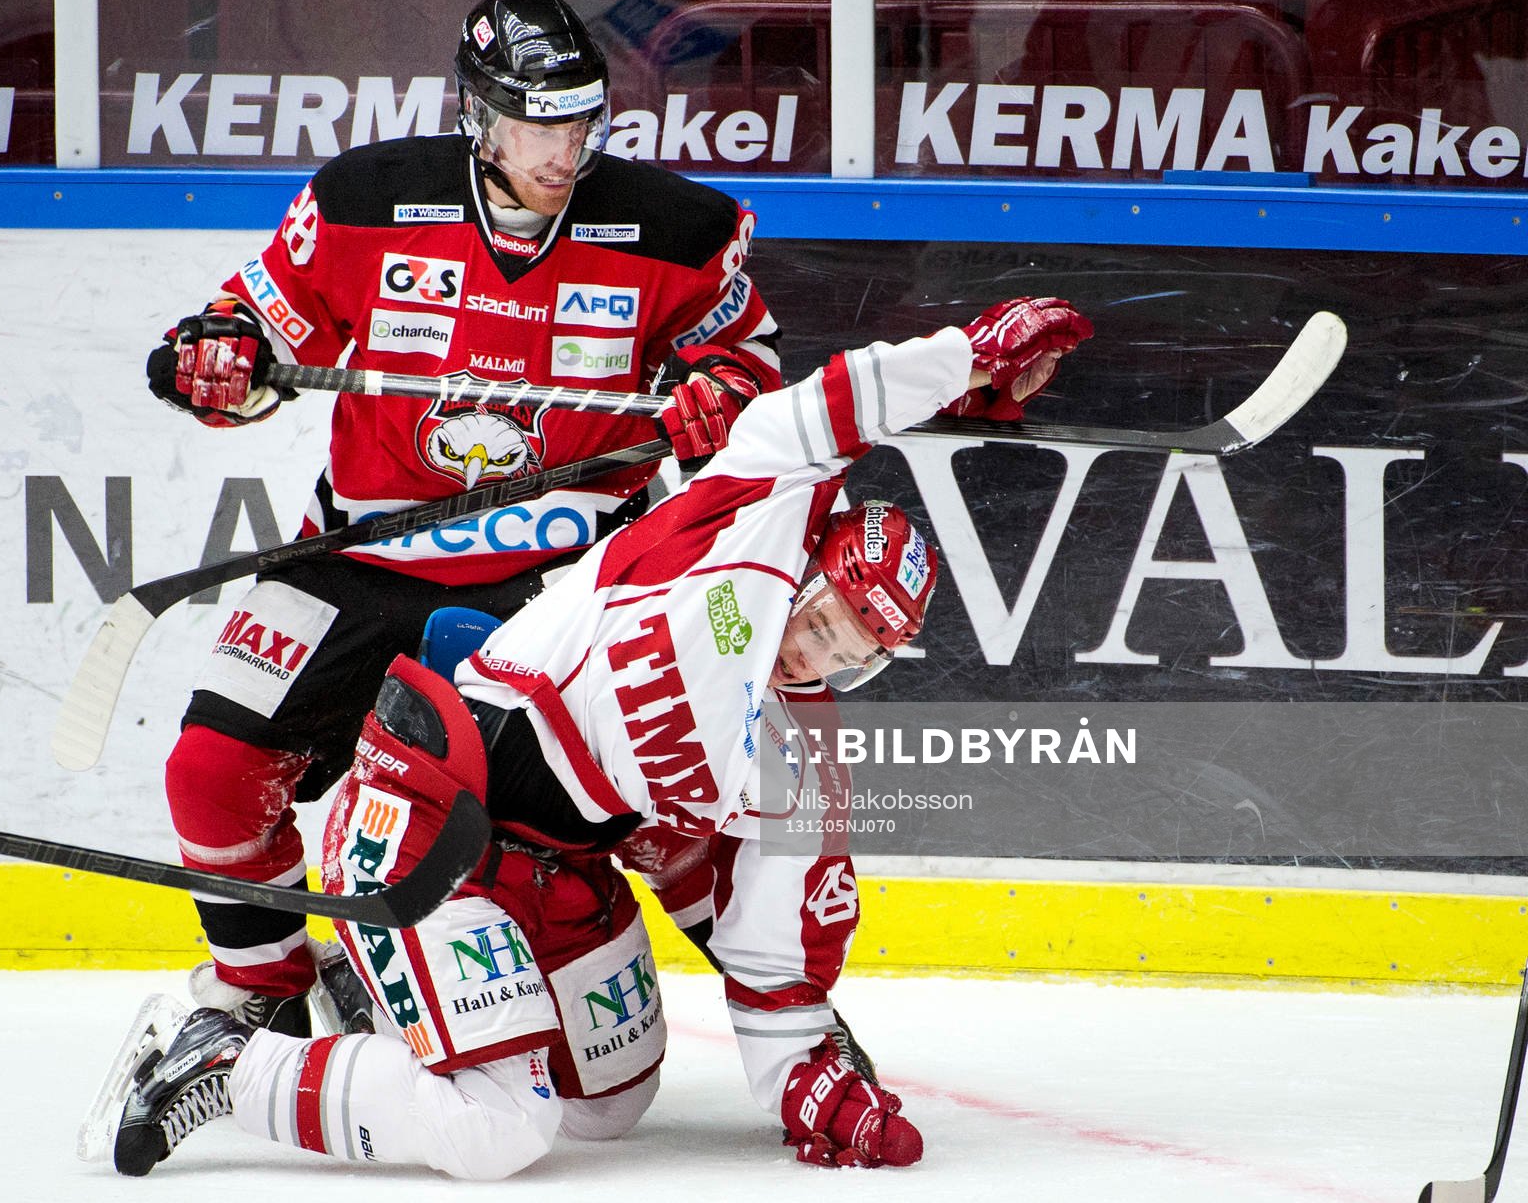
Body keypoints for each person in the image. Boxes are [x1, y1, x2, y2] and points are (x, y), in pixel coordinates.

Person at [105, 297, 1094, 1179]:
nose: (816, 654)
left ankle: (389, 1003)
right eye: (824, 620)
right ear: (805, 572)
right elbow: (829, 405)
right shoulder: (741, 520)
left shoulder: (800, 761)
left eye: (850, 653)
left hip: (557, 869)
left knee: (608, 1106)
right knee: (499, 1128)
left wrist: (810, 1077)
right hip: (431, 816)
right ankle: (225, 1062)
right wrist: (964, 362)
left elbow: (773, 943)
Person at [143, 0, 784, 1035]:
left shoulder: (678, 230)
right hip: (364, 553)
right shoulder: (363, 201)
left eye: (581, 122)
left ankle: (789, 1010)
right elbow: (250, 329)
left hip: (568, 579)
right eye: (538, 124)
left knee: (665, 800)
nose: (564, 150)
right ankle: (267, 1000)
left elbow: (746, 359)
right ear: (479, 117)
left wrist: (722, 391)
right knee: (214, 770)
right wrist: (220, 361)